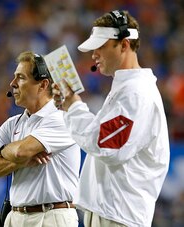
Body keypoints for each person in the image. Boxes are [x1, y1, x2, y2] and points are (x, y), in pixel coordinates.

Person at [52, 10, 170, 227]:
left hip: (119, 215)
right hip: (111, 212)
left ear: (124, 45)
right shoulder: (126, 89)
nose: (94, 54)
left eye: (100, 46)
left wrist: (74, 106)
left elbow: (106, 145)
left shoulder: (136, 93)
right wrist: (70, 106)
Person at [0, 51, 81, 227]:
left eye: (21, 78)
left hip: (52, 216)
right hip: (16, 216)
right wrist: (22, 162)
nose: (12, 84)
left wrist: (4, 150)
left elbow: (20, 151)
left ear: (42, 85)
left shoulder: (62, 119)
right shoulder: (12, 124)